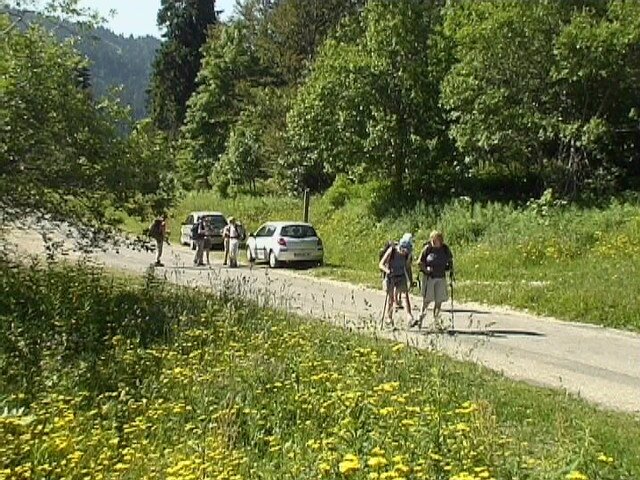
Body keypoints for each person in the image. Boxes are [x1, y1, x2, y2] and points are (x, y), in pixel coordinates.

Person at [415, 230, 454, 327]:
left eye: (435, 239)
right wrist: (426, 270)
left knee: (439, 300)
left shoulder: (445, 249)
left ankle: (436, 321)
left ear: (440, 240)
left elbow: (450, 259)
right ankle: (420, 318)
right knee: (427, 300)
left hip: (441, 277)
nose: (433, 241)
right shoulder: (427, 249)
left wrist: (450, 269)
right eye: (432, 238)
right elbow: (419, 262)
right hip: (430, 277)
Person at [379, 233, 415, 326]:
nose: (405, 252)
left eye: (407, 250)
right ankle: (389, 318)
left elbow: (407, 267)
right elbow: (381, 264)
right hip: (390, 277)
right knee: (391, 299)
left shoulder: (408, 255)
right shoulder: (392, 250)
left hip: (401, 276)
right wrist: (387, 271)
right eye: (404, 250)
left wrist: (410, 280)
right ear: (401, 246)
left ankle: (409, 317)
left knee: (405, 296)